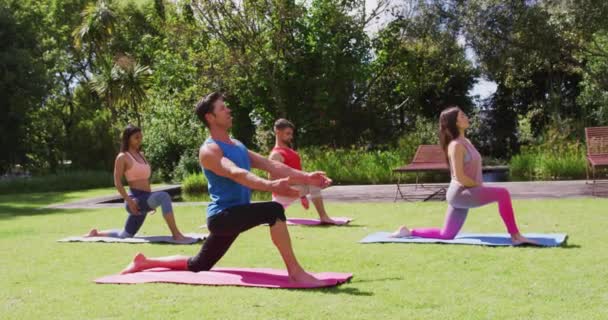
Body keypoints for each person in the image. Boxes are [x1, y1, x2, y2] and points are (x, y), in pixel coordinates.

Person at [120, 92, 331, 285]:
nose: (228, 110)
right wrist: (271, 185)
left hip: (235, 215)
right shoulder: (209, 150)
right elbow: (236, 173)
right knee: (273, 210)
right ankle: (295, 273)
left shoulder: (237, 144)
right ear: (210, 118)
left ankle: (144, 262)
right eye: (222, 108)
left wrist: (308, 177)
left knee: (198, 264)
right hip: (222, 218)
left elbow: (271, 164)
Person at [391, 106, 537, 245]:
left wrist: (477, 185)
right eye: (462, 115)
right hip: (460, 193)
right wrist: (478, 185)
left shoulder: (466, 141)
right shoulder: (455, 145)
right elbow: (459, 177)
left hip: (464, 192)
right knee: (503, 194)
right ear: (456, 122)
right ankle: (516, 236)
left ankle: (408, 231)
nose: (466, 117)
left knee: (446, 235)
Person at [86, 125, 186, 241]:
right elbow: (117, 182)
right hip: (135, 200)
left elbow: (145, 180)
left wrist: (151, 201)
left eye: (140, 137)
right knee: (164, 196)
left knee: (125, 235)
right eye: (136, 137)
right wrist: (129, 201)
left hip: (145, 198)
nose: (140, 140)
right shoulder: (122, 157)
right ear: (128, 138)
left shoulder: (142, 155)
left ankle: (96, 233)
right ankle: (176, 234)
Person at [269, 118, 337, 224]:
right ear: (277, 132)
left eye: (291, 134)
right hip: (281, 195)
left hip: (294, 189)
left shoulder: (289, 151)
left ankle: (323, 216)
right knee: (314, 183)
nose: (291, 137)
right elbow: (273, 180)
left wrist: (303, 196)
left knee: (314, 182)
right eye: (288, 133)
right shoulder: (275, 155)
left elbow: (297, 173)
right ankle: (323, 217)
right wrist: (309, 181)